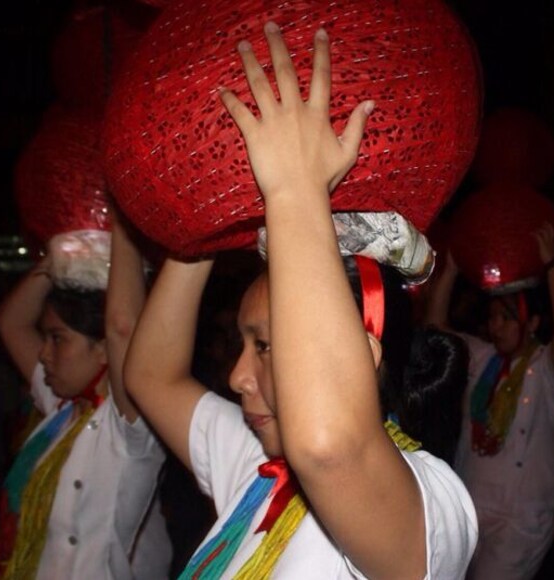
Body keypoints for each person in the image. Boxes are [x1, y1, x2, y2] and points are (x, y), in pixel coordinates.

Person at [124, 23, 477, 579]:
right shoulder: (258, 465)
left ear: (361, 354)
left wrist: (293, 189)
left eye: (264, 346)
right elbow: (149, 377)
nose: (238, 376)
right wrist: (205, 209)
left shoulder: (431, 502)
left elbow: (331, 447)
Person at [0, 214, 170, 580]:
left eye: (58, 338)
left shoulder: (129, 427)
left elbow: (123, 326)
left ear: (104, 350)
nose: (43, 353)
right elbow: (11, 321)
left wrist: (121, 222)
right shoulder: (63, 412)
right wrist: (66, 252)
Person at [424, 231, 554, 579]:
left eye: (505, 318)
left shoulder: (547, 368)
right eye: (492, 317)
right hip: (475, 500)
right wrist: (449, 271)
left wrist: (552, 265)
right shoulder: (482, 357)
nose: (495, 326)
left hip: (523, 513)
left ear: (532, 323)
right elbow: (434, 327)